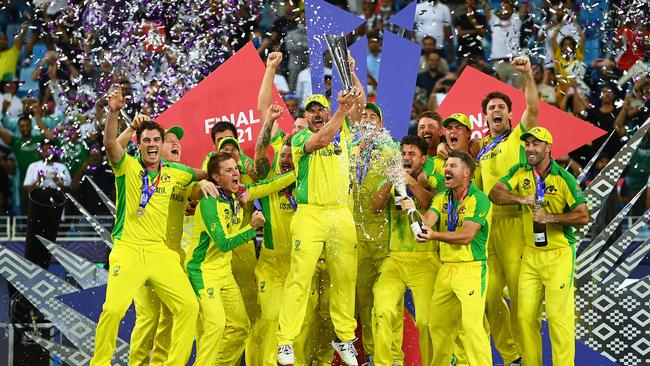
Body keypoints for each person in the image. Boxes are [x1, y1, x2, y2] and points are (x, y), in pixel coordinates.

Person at [90, 88, 206, 366]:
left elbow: (204, 173)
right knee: (113, 309)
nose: (152, 144)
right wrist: (117, 114)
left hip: (159, 252)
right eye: (147, 140)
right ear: (139, 145)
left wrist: (208, 180)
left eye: (157, 139)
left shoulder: (176, 172)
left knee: (189, 306)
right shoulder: (127, 167)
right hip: (128, 249)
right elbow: (109, 144)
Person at [276, 69, 365, 364]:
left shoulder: (347, 132)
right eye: (311, 110)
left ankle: (344, 339)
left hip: (340, 214)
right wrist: (339, 110)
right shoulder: (301, 137)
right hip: (310, 214)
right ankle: (285, 341)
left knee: (345, 277)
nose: (316, 114)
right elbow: (322, 141)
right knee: (300, 278)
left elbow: (360, 106)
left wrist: (351, 73)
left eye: (320, 109)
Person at [115, 115, 214, 366]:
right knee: (148, 318)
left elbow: (200, 184)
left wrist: (203, 185)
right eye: (168, 140)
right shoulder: (139, 173)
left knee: (172, 317)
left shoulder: (181, 178)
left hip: (172, 256)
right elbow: (116, 150)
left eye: (177, 141)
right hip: (141, 250)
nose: (175, 144)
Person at [489, 127, 589, 366]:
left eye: (536, 144)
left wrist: (551, 218)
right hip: (531, 255)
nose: (530, 149)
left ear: (548, 147)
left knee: (557, 318)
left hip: (559, 255)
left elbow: (583, 216)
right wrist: (520, 199)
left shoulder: (564, 178)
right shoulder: (519, 171)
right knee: (524, 317)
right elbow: (495, 192)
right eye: (527, 144)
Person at [187, 151, 295, 365]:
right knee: (215, 327)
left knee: (240, 327)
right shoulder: (209, 203)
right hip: (202, 272)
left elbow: (272, 184)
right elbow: (224, 243)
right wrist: (251, 228)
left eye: (236, 168)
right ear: (216, 178)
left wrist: (300, 167)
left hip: (224, 272)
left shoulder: (240, 193)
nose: (236, 173)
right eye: (229, 170)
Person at [473, 55, 538, 365]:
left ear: (511, 115)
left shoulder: (517, 138)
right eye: (490, 109)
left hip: (516, 224)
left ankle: (529, 356)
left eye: (501, 107)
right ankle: (512, 356)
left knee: (523, 300)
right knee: (489, 295)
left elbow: (534, 109)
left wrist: (526, 75)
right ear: (485, 118)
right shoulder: (482, 149)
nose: (495, 111)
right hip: (488, 229)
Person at [417, 150, 493, 366]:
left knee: (471, 329)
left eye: (452, 166)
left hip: (471, 270)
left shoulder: (479, 199)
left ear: (466, 173)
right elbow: (426, 223)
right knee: (438, 326)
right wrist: (410, 209)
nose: (446, 169)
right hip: (446, 270)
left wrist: (435, 235)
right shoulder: (442, 198)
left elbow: (467, 236)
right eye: (446, 165)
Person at [370, 135, 440, 366]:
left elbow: (432, 202)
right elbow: (374, 207)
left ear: (423, 158)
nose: (406, 157)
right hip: (395, 259)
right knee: (382, 311)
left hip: (425, 259)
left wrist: (410, 182)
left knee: (427, 321)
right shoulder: (393, 177)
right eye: (404, 153)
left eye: (412, 154)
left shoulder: (433, 179)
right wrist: (392, 181)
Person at [352, 103, 403, 365]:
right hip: (356, 240)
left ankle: (394, 357)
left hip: (385, 239)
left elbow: (400, 184)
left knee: (387, 304)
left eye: (373, 117)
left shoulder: (392, 150)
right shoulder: (350, 152)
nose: (368, 119)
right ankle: (372, 355)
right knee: (364, 302)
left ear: (381, 126)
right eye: (364, 116)